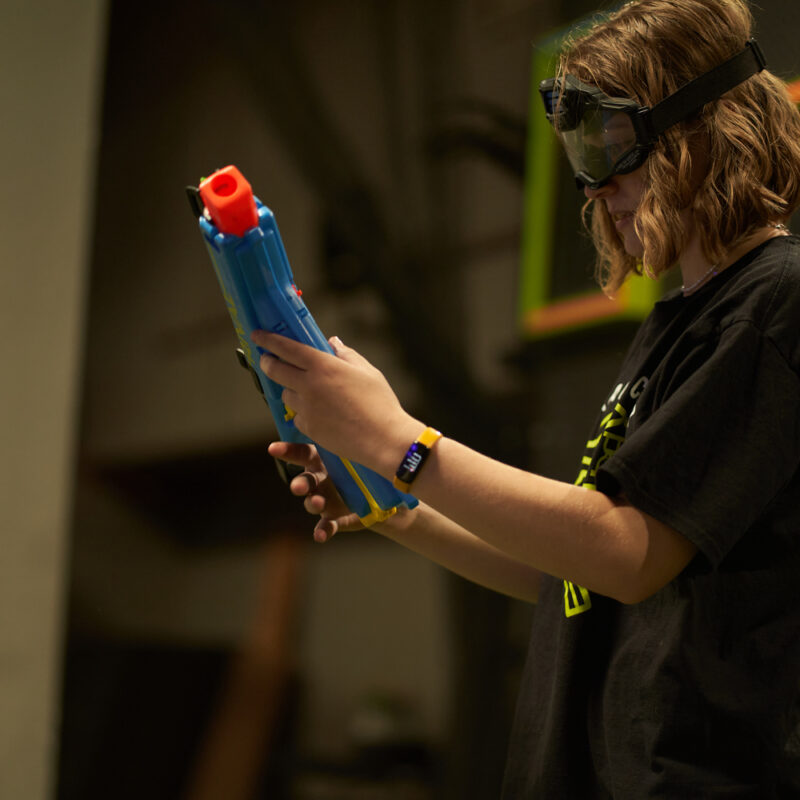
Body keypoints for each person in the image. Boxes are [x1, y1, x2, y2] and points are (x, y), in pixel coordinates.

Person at [252, 0, 800, 795]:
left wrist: (398, 440)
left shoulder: (775, 304)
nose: (597, 185)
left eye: (613, 145)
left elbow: (625, 552)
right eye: (582, 153)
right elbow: (571, 575)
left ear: (704, 135)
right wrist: (389, 500)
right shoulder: (680, 324)